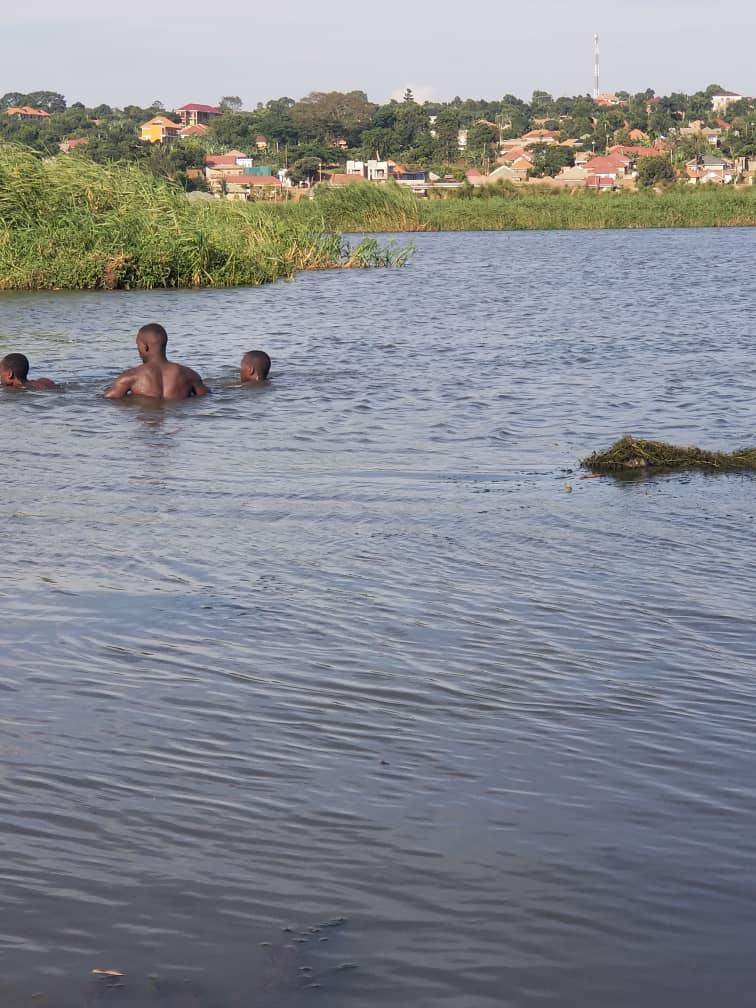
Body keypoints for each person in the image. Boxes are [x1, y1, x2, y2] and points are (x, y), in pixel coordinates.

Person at [104, 323, 208, 400]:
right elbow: (206, 396)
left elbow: (108, 398)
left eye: (137, 345)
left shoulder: (131, 376)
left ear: (145, 347)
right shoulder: (189, 375)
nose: (137, 349)